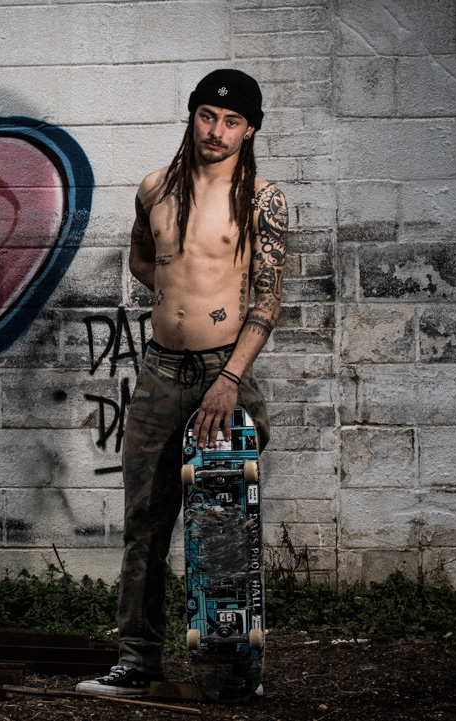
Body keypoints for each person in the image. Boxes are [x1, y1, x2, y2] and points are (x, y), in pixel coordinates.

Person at [77, 68, 288, 697]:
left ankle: (230, 674)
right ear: (192, 116)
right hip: (161, 373)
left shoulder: (262, 199)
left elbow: (269, 301)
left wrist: (228, 377)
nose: (216, 131)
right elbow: (147, 260)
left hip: (224, 371)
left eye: (231, 122)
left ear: (249, 130)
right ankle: (138, 662)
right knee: (145, 519)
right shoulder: (153, 189)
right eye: (206, 116)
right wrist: (178, 299)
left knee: (221, 521)